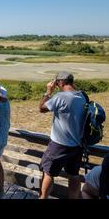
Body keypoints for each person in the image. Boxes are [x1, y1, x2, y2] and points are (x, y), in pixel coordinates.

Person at [38, 71, 87, 199]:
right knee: (73, 174)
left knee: (48, 172)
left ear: (60, 82)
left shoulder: (60, 96)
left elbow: (42, 108)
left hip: (59, 144)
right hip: (77, 145)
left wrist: (48, 91)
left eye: (57, 82)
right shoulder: (83, 95)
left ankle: (43, 198)